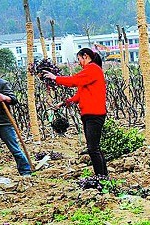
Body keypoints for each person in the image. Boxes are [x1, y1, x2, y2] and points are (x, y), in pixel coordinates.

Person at [43, 48, 108, 176]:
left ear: (85, 56)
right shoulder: (89, 72)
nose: (79, 63)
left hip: (94, 114)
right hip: (89, 114)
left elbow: (74, 80)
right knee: (94, 148)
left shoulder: (92, 69)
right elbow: (79, 95)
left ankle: (101, 177)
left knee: (93, 149)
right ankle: (102, 176)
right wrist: (64, 103)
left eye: (79, 59)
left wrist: (55, 78)